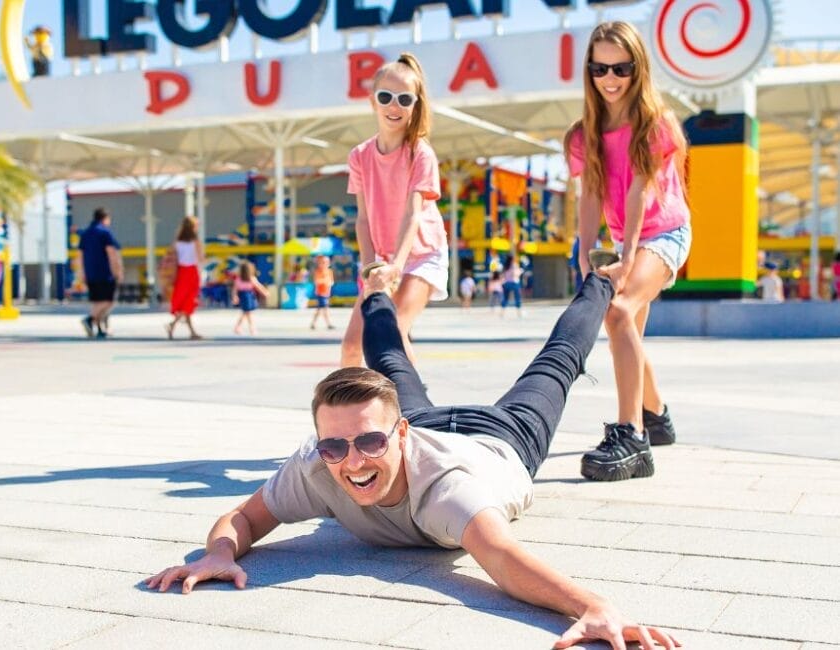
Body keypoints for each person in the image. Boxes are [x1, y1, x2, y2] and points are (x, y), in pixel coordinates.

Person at [147, 270, 680, 650]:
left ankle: (600, 278)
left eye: (369, 443)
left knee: (556, 364)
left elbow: (501, 559)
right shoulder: (316, 463)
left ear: (398, 433)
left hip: (501, 439)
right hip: (424, 424)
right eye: (334, 447)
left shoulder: (446, 489)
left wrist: (592, 607)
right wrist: (219, 553)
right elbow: (243, 517)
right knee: (389, 359)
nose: (352, 462)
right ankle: (377, 288)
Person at [566, 21, 691, 481]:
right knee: (628, 329)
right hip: (626, 240)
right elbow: (589, 196)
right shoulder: (583, 135)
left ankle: (632, 437)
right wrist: (585, 256)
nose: (610, 78)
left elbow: (640, 191)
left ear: (638, 68)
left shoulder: (655, 124)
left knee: (618, 312)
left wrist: (628, 255)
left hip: (665, 233)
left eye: (621, 68)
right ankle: (655, 415)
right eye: (600, 68)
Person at [341, 52, 449, 367]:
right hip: (382, 259)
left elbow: (413, 215)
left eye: (404, 99)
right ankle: (350, 400)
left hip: (422, 256)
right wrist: (370, 269)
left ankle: (414, 399)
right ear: (372, 101)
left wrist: (396, 268)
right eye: (385, 97)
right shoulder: (359, 156)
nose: (394, 106)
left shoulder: (420, 154)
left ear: (415, 105)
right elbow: (363, 220)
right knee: (352, 346)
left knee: (394, 332)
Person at [78, 207, 124, 339]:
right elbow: (111, 253)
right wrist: (118, 270)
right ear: (105, 219)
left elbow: (80, 255)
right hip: (105, 272)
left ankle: (100, 328)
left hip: (90, 273)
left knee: (97, 301)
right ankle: (90, 319)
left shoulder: (85, 234)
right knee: (109, 301)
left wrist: (81, 273)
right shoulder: (105, 233)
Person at [165, 216, 205, 340]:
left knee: (183, 301)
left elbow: (172, 258)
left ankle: (190, 331)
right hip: (191, 272)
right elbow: (201, 258)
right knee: (189, 302)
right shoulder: (195, 241)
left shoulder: (177, 242)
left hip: (181, 273)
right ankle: (172, 324)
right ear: (193, 227)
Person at [232, 260, 269, 336]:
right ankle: (252, 329)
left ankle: (238, 327)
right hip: (247, 297)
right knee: (248, 313)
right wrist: (265, 292)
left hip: (247, 297)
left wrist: (235, 296)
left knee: (245, 313)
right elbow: (259, 287)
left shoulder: (241, 279)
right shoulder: (250, 279)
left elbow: (235, 289)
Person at [310, 255, 336, 330]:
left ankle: (313, 323)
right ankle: (328, 324)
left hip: (326, 293)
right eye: (322, 262)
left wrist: (328, 283)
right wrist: (325, 281)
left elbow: (331, 282)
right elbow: (316, 281)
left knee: (320, 309)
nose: (323, 264)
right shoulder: (318, 271)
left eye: (325, 262)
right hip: (320, 293)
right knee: (324, 308)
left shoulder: (329, 271)